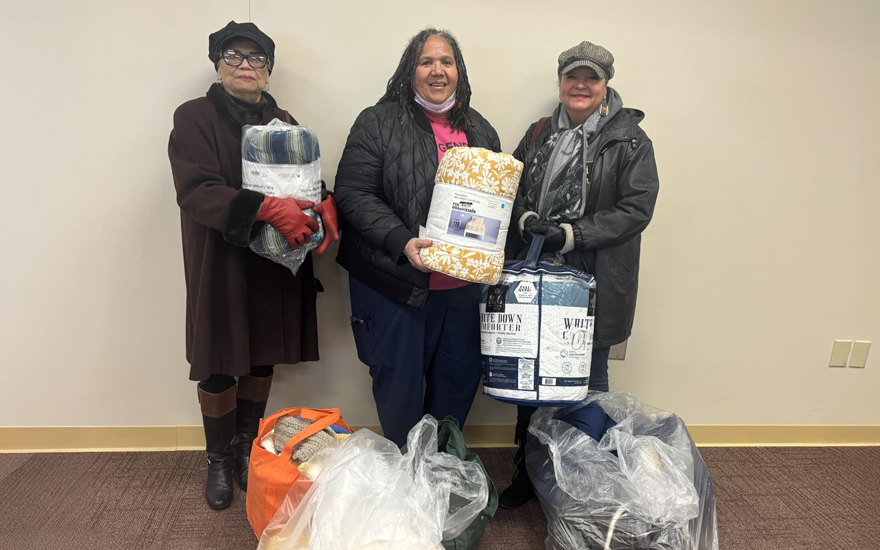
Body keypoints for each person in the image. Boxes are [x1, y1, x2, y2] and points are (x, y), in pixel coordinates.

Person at [167, 21, 339, 510]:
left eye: (256, 58)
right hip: (221, 258)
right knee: (221, 362)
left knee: (261, 355)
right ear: (218, 64)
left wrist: (322, 203)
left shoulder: (285, 119)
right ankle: (218, 461)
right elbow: (195, 190)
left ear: (268, 69)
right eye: (234, 56)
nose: (245, 66)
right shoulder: (194, 117)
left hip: (275, 259)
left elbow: (302, 179)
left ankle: (246, 450)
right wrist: (262, 208)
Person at [499, 40, 660, 508]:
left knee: (587, 382)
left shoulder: (630, 140)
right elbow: (512, 186)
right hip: (535, 274)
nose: (581, 85)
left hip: (595, 282)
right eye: (573, 76)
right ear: (561, 82)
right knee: (529, 377)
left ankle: (587, 483)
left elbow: (635, 209)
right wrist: (529, 221)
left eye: (591, 77)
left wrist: (572, 234)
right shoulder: (536, 134)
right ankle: (529, 470)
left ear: (606, 83)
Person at [334, 28, 501, 447]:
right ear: (410, 70)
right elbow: (353, 193)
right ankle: (405, 485)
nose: (437, 70)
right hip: (398, 285)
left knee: (457, 386)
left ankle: (439, 474)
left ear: (458, 71)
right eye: (427, 61)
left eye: (447, 61)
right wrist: (402, 240)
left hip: (461, 290)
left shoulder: (481, 130)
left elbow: (497, 203)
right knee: (400, 391)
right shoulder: (378, 121)